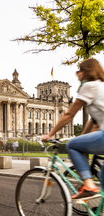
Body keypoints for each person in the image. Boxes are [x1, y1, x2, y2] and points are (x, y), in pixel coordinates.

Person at [42, 58, 104, 201]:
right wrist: (82, 138)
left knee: (72, 145)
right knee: (102, 177)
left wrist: (50, 134)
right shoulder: (102, 86)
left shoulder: (89, 86)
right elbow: (93, 120)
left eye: (79, 70)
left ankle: (88, 185)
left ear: (85, 72)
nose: (77, 74)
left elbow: (69, 115)